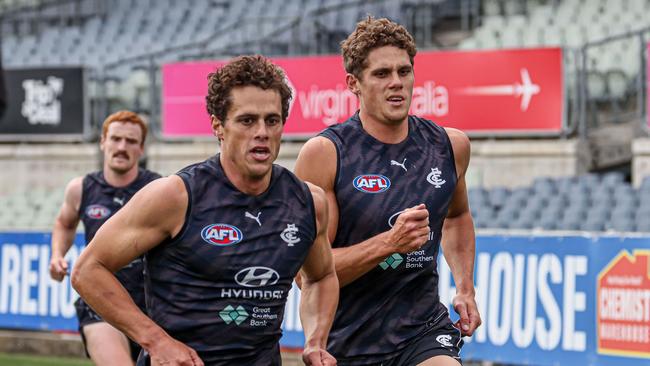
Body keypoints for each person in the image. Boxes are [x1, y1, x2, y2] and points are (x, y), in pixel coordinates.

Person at [71, 55, 339, 366]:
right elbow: (87, 270)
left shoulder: (309, 202)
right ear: (218, 126)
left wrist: (315, 340)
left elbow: (320, 277)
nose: (262, 132)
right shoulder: (175, 196)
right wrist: (156, 341)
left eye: (272, 120)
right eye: (247, 120)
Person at [294, 17, 481, 366]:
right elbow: (307, 277)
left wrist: (465, 287)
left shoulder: (449, 146)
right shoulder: (326, 154)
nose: (396, 83)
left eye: (404, 71)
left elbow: (456, 217)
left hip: (422, 329)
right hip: (346, 339)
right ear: (354, 84)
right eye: (381, 74)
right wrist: (389, 244)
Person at [49, 110, 161, 365]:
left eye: (131, 141)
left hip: (151, 305)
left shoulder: (158, 190)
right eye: (116, 139)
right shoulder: (81, 188)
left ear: (141, 149)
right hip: (99, 300)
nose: (122, 147)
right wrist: (57, 255)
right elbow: (65, 223)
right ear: (103, 142)